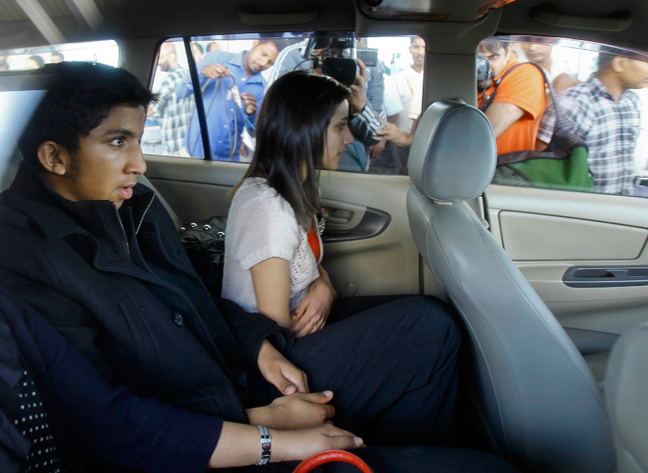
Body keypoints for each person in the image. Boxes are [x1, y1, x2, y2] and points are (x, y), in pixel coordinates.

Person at [0, 62, 522, 473]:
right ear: (54, 157)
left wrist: (258, 348)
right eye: (118, 142)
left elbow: (198, 301)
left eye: (138, 139)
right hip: (208, 438)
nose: (140, 163)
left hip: (235, 376)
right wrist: (269, 432)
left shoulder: (135, 209)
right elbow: (107, 424)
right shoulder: (28, 262)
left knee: (428, 325)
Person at [266, 38, 385, 173]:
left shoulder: (369, 64)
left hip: (349, 166)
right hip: (297, 164)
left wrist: (360, 105)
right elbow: (273, 119)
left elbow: (377, 134)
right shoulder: (297, 56)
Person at [537, 53, 648, 195]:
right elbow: (542, 160)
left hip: (622, 201)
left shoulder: (631, 101)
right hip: (585, 203)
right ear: (619, 63)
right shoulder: (574, 103)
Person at [182, 39, 287, 160]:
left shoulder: (261, 88)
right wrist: (201, 74)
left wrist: (251, 114)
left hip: (228, 159)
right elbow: (180, 91)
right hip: (193, 153)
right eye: (263, 54)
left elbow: (254, 132)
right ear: (255, 43)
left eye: (270, 62)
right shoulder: (218, 58)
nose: (263, 63)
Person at [477, 39, 547, 155]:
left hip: (504, 165)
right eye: (478, 59)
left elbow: (481, 136)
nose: (483, 67)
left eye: (492, 57)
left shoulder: (526, 74)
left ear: (508, 51)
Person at [151, 42, 193, 155]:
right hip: (189, 144)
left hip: (174, 144)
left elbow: (150, 109)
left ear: (171, 56)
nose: (158, 63)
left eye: (160, 58)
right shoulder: (188, 75)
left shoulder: (171, 78)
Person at [385, 36, 425, 134]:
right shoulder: (396, 79)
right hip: (400, 136)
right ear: (410, 49)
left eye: (424, 47)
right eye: (416, 47)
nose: (420, 52)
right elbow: (391, 114)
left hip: (426, 136)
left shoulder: (434, 79)